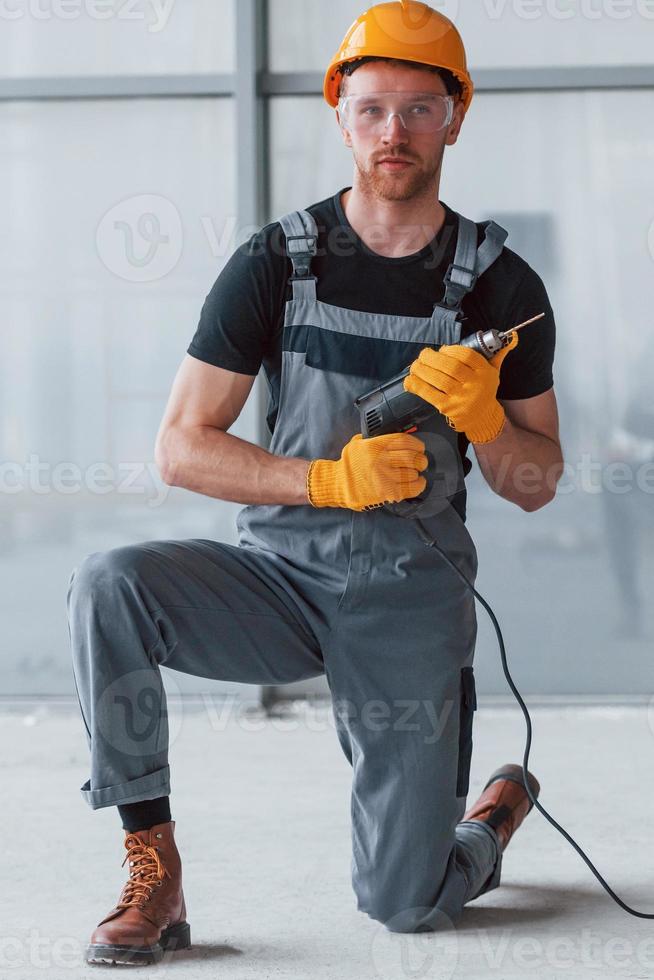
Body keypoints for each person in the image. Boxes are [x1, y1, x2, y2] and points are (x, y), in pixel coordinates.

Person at [67, 0, 564, 965]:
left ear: (456, 117)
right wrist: (329, 481)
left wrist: (485, 417)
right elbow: (181, 446)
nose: (395, 132)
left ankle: (487, 823)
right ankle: (152, 866)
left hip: (411, 603)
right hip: (281, 581)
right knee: (109, 581)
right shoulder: (275, 263)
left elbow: (538, 481)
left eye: (421, 109)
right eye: (373, 108)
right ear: (341, 113)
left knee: (406, 905)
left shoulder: (503, 284)